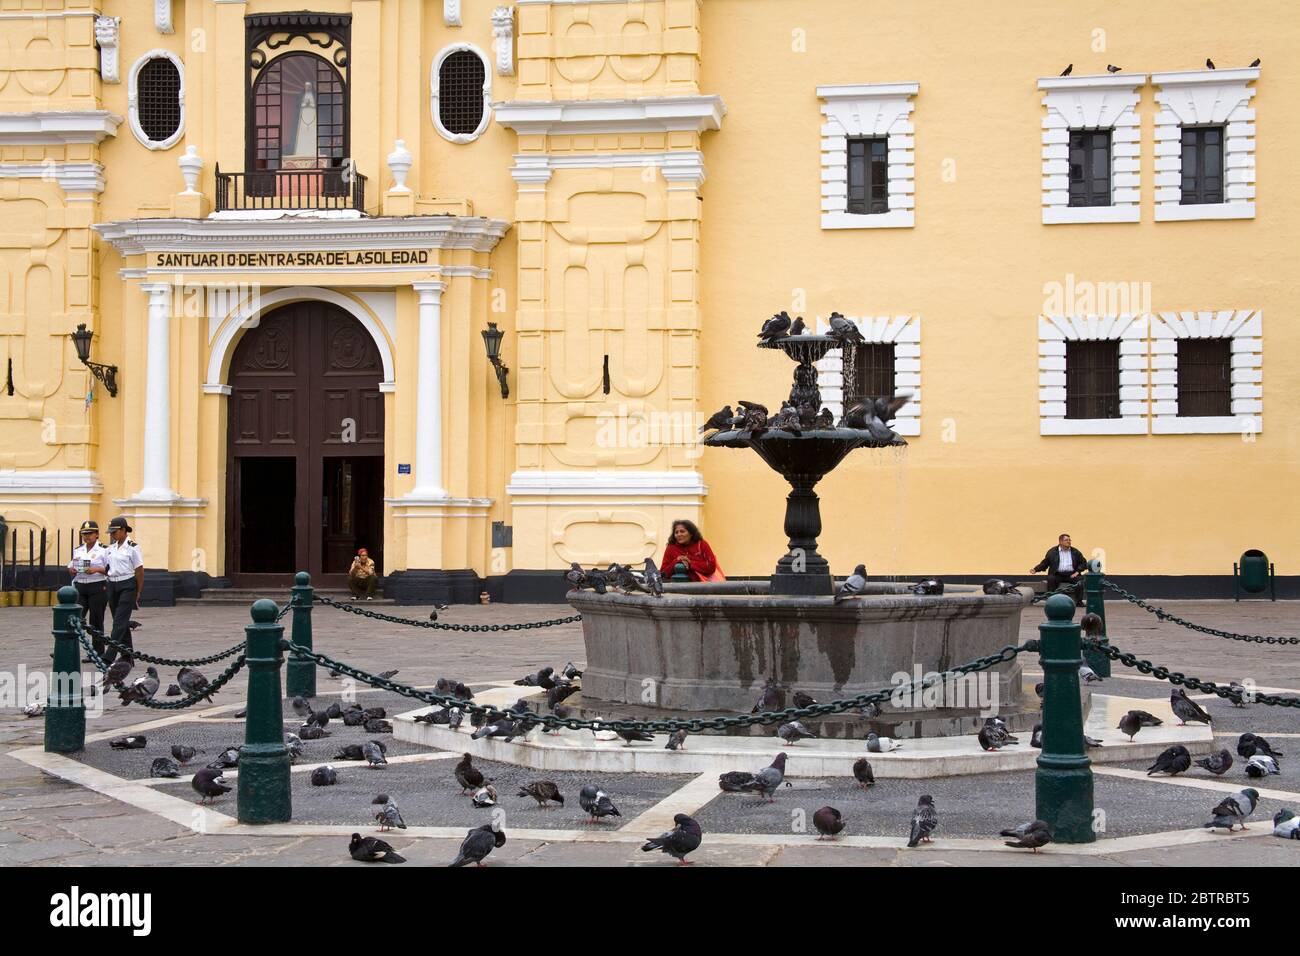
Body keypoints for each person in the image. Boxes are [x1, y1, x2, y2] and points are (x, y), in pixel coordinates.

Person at [103, 516, 144, 666]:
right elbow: (107, 568)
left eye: (114, 532)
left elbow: (139, 570)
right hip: (113, 585)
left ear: (123, 530)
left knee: (119, 622)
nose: (112, 535)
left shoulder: (133, 547)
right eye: (111, 533)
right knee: (121, 621)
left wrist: (138, 591)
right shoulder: (110, 549)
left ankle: (109, 656)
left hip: (128, 584)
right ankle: (127, 656)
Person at [68, 519, 109, 661]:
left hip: (97, 585)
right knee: (75, 619)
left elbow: (111, 570)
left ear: (97, 534)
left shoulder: (104, 550)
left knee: (96, 621)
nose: (87, 536)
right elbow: (71, 565)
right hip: (80, 585)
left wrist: (96, 569)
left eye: (90, 533)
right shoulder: (78, 549)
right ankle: (68, 650)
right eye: (84, 534)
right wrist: (71, 569)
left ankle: (97, 653)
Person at [659, 519, 724, 582]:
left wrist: (690, 563)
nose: (679, 534)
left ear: (691, 533)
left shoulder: (702, 544)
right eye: (676, 532)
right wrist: (677, 561)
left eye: (682, 531)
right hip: (678, 587)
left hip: (704, 585)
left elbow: (711, 566)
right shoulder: (671, 548)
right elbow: (663, 573)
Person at [1030, 532, 1087, 605]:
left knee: (1080, 581)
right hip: (1057, 574)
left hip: (1072, 574)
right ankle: (1052, 601)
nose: (1069, 541)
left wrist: (1077, 572)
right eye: (1066, 540)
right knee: (1051, 579)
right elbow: (1045, 563)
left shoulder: (1075, 552)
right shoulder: (1053, 552)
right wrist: (1036, 569)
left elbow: (1083, 563)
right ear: (1060, 541)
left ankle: (1079, 602)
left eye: (1070, 540)